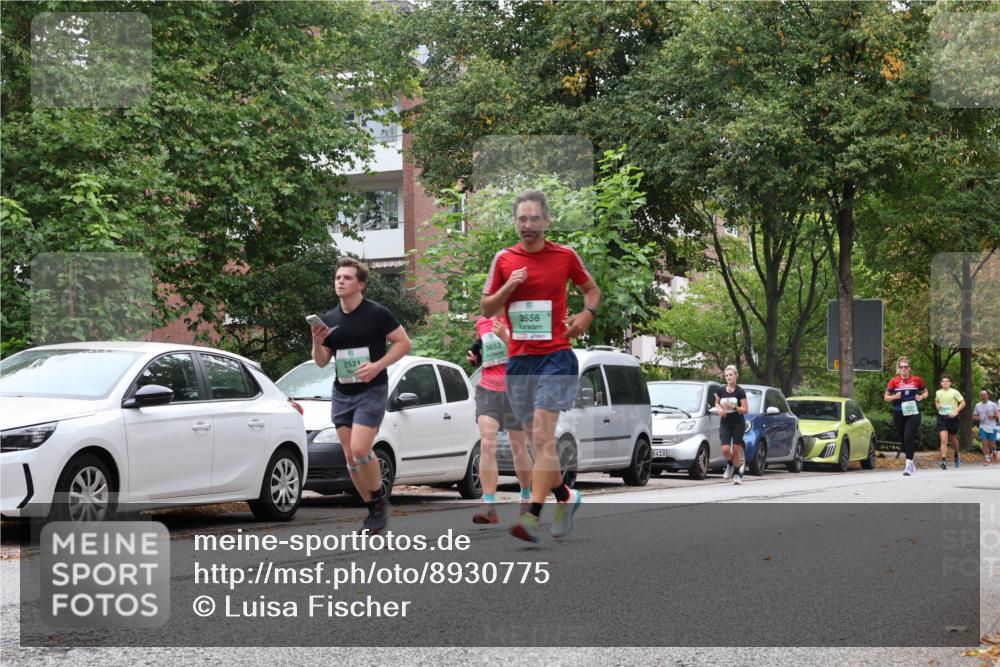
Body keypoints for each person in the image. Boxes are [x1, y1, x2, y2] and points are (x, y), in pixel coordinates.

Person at [481, 189, 600, 543]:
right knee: (538, 444)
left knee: (543, 437)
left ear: (546, 221)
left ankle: (531, 515)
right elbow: (487, 309)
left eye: (535, 219)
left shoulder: (564, 256)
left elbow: (591, 290)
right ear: (515, 222)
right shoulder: (503, 259)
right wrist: (510, 286)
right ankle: (565, 495)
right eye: (522, 219)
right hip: (519, 361)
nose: (528, 225)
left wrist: (586, 314)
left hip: (556, 357)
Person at [310, 257, 411, 533]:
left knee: (360, 448)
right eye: (337, 277)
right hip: (343, 391)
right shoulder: (329, 319)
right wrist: (317, 341)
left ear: (361, 285)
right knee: (350, 457)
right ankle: (375, 511)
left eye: (347, 278)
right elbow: (321, 361)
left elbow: (404, 343)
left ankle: (378, 499)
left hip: (372, 390)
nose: (340, 281)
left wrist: (377, 366)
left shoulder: (377, 313)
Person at [466, 315, 533, 524]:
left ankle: (525, 496)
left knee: (518, 447)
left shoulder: (519, 316)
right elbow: (485, 351)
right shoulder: (482, 321)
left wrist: (506, 336)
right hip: (488, 389)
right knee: (487, 443)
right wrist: (475, 356)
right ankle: (488, 505)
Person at [884, 356, 929, 476]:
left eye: (906, 367)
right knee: (903, 439)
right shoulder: (894, 381)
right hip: (899, 412)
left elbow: (926, 392)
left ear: (910, 368)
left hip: (913, 412)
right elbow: (886, 397)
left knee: (909, 436)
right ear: (898, 369)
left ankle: (908, 465)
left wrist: (921, 397)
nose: (904, 369)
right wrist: (894, 397)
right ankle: (910, 461)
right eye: (901, 367)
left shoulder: (916, 380)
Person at [715, 365, 749, 485]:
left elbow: (745, 410)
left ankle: (736, 474)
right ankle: (729, 464)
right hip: (725, 422)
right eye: (727, 375)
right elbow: (717, 403)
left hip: (738, 422)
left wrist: (734, 407)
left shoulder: (740, 391)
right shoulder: (721, 390)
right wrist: (719, 410)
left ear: (736, 376)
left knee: (735, 449)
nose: (729, 377)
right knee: (725, 449)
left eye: (731, 375)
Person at [934, 374, 965, 469]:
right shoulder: (938, 392)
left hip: (952, 418)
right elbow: (937, 401)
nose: (945, 383)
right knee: (944, 439)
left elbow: (963, 402)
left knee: (953, 439)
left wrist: (956, 411)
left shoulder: (954, 392)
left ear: (950, 383)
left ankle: (956, 454)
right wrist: (937, 405)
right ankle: (943, 461)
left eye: (947, 381)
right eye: (943, 381)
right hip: (942, 417)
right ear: (941, 383)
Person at [973, 390, 999, 466]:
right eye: (982, 395)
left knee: (992, 444)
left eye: (984, 395)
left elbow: (998, 415)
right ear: (980, 396)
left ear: (987, 396)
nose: (983, 397)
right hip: (983, 427)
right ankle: (987, 459)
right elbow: (974, 415)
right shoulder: (977, 405)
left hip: (992, 427)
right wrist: (978, 418)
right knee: (984, 443)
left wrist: (993, 416)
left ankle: (994, 451)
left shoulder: (993, 404)